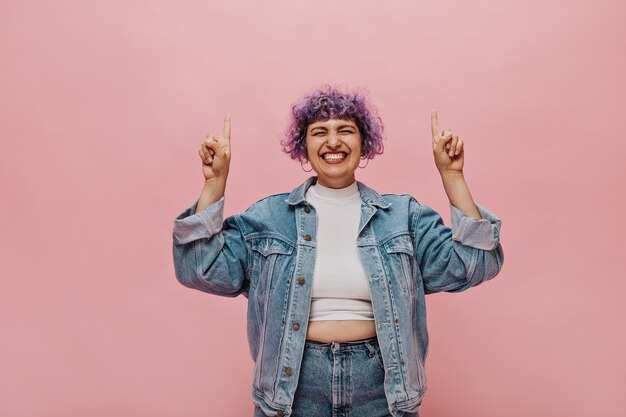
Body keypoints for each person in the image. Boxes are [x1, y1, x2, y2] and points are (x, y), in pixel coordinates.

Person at [172, 86, 504, 417]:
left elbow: (475, 263)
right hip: (293, 392)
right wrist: (214, 183)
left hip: (382, 392)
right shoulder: (268, 219)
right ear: (305, 146)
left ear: (364, 143)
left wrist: (453, 177)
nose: (333, 141)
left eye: (345, 130)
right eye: (320, 132)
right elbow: (199, 269)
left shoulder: (404, 217)